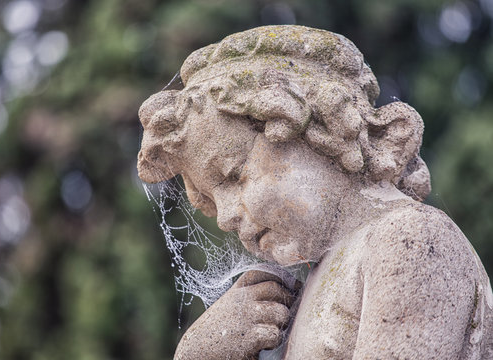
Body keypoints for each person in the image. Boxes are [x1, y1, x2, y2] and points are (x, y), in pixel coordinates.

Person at [137, 25, 493, 359]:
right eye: (212, 204)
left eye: (233, 174)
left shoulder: (408, 240)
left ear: (318, 131)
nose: (227, 216)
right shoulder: (315, 282)